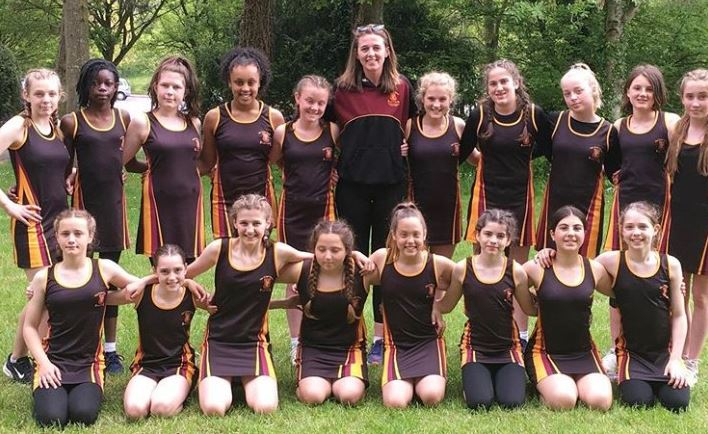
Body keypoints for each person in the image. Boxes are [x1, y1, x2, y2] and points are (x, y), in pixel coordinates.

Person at [536, 202, 689, 411]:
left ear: (655, 229)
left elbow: (679, 315)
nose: (636, 233)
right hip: (632, 353)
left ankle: (670, 367)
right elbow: (577, 269)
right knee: (638, 401)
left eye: (642, 226)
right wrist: (549, 252)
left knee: (677, 403)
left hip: (664, 352)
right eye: (629, 227)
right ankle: (615, 364)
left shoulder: (671, 265)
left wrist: (676, 359)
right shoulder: (610, 261)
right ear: (621, 231)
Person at [330, 24, 416, 364]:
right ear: (357, 53)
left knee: (385, 260)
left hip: (391, 185)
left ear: (387, 51)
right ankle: (350, 333)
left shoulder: (402, 87)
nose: (370, 53)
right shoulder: (341, 89)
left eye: (376, 47)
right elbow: (330, 134)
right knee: (351, 259)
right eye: (364, 48)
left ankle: (381, 338)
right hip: (351, 186)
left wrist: (405, 148)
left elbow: (409, 130)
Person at [187, 194, 313, 415]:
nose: (250, 229)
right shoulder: (219, 248)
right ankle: (222, 380)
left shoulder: (278, 252)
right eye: (244, 223)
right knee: (214, 408)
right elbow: (179, 276)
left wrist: (354, 254)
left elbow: (322, 258)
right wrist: (192, 288)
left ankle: (242, 380)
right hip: (219, 340)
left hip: (254, 342)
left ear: (268, 224)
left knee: (265, 407)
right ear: (235, 223)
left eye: (256, 223)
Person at [60, 59, 146, 374]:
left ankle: (110, 351)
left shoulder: (124, 118)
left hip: (112, 211)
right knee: (80, 279)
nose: (102, 89)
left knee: (108, 280)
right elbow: (61, 163)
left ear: (116, 87)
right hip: (83, 211)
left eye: (108, 83)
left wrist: (157, 167)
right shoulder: (72, 122)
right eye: (96, 83)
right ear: (85, 86)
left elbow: (130, 162)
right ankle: (82, 346)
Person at [22, 209, 139, 427]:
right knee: (51, 419)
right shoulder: (44, 277)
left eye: (78, 233)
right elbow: (29, 327)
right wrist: (44, 364)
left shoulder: (104, 268)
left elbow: (138, 287)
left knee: (83, 415)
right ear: (57, 237)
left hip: (89, 363)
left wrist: (185, 282)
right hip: (53, 360)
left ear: (90, 236)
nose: (71, 239)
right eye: (65, 234)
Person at [460, 59, 547, 349]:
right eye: (493, 83)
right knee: (482, 267)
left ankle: (520, 335)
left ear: (516, 83)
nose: (499, 88)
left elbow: (550, 149)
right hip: (486, 195)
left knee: (517, 269)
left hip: (520, 197)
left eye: (504, 82)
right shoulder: (480, 114)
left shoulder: (533, 114)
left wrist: (518, 155)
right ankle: (480, 331)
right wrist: (482, 159)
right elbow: (463, 150)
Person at [600, 64, 680, 378]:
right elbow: (610, 163)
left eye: (649, 89)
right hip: (626, 210)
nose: (643, 93)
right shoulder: (619, 126)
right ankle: (616, 348)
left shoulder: (670, 122)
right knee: (621, 277)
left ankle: (668, 350)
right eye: (637, 88)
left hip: (661, 209)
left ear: (658, 93)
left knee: (662, 281)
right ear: (628, 92)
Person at [1, 68, 70, 383]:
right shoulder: (20, 126)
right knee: (42, 296)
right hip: (32, 224)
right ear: (26, 95)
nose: (46, 99)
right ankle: (17, 360)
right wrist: (9, 204)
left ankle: (35, 354)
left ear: (59, 96)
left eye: (52, 94)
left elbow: (53, 170)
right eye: (39, 93)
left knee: (51, 295)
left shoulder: (55, 128)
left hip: (59, 223)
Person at [434, 209, 535, 410]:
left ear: (508, 240)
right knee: (480, 402)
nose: (493, 240)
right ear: (478, 235)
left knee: (512, 402)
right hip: (475, 347)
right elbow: (447, 305)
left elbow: (530, 309)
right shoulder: (463, 268)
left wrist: (555, 294)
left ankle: (501, 377)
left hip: (508, 346)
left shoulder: (516, 271)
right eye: (488, 234)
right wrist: (431, 306)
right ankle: (475, 381)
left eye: (500, 236)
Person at [270, 75, 338, 364]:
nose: (314, 107)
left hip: (324, 211)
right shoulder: (282, 132)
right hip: (292, 212)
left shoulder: (332, 130)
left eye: (320, 103)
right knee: (295, 274)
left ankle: (322, 336)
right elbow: (275, 161)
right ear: (297, 98)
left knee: (325, 272)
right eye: (309, 101)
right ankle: (296, 342)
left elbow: (341, 162)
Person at [270, 220, 369, 406]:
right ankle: (312, 380)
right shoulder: (302, 270)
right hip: (313, 349)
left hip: (350, 349)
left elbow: (396, 267)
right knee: (313, 396)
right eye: (321, 249)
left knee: (349, 396)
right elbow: (259, 270)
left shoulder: (361, 271)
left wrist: (358, 255)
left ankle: (346, 380)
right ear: (313, 249)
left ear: (347, 250)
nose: (328, 256)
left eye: (335, 250)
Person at [524, 206, 613, 411]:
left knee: (600, 402)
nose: (571, 233)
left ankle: (570, 384)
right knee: (564, 400)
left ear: (584, 233)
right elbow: (506, 285)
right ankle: (551, 387)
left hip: (583, 351)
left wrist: (672, 288)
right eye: (563, 228)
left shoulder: (594, 269)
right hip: (544, 351)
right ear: (552, 234)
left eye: (577, 228)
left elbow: (624, 292)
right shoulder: (537, 267)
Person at [367, 202, 454, 408]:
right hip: (396, 345)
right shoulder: (382, 258)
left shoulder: (437, 263)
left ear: (424, 234)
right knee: (396, 402)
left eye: (416, 234)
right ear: (394, 235)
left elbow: (467, 278)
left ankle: (426, 377)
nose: (410, 240)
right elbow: (351, 272)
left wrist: (440, 305)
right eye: (404, 234)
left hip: (428, 342)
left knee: (431, 396)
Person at [121, 56, 204, 262]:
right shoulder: (143, 122)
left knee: (189, 265)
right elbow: (123, 161)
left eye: (176, 87)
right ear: (155, 87)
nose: (170, 91)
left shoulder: (194, 122)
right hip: (159, 202)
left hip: (190, 202)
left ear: (186, 91)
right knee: (162, 264)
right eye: (165, 85)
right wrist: (149, 168)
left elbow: (194, 161)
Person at [199, 47, 285, 239]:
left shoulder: (274, 117)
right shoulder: (214, 117)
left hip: (261, 202)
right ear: (229, 82)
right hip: (223, 201)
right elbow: (206, 163)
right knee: (227, 254)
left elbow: (285, 162)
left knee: (259, 254)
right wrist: (163, 171)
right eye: (239, 82)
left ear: (260, 82)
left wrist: (324, 173)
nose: (245, 88)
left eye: (251, 82)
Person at [535, 63, 619, 259]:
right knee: (548, 261)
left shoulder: (608, 132)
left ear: (593, 90)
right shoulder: (555, 121)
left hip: (589, 207)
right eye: (567, 93)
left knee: (583, 266)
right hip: (555, 202)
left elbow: (616, 173)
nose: (572, 97)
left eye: (578, 91)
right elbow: (532, 151)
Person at [123, 244, 211, 419]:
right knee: (134, 411)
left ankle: (178, 392)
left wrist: (188, 282)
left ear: (186, 268)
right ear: (154, 270)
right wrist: (144, 281)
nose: (172, 277)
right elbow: (106, 299)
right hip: (147, 364)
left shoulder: (192, 295)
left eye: (178, 270)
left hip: (179, 364)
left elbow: (220, 305)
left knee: (161, 408)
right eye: (164, 271)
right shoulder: (142, 293)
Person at [661, 68, 708, 385]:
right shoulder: (676, 129)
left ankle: (692, 361)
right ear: (682, 98)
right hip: (676, 221)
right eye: (690, 96)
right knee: (678, 291)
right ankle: (675, 353)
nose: (696, 103)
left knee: (701, 297)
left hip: (705, 227)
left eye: (703, 96)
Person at [406, 71, 465, 259]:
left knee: (443, 269)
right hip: (415, 207)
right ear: (422, 98)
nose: (436, 104)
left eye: (442, 99)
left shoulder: (458, 125)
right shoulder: (409, 126)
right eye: (431, 98)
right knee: (416, 267)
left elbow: (477, 158)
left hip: (448, 208)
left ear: (450, 100)